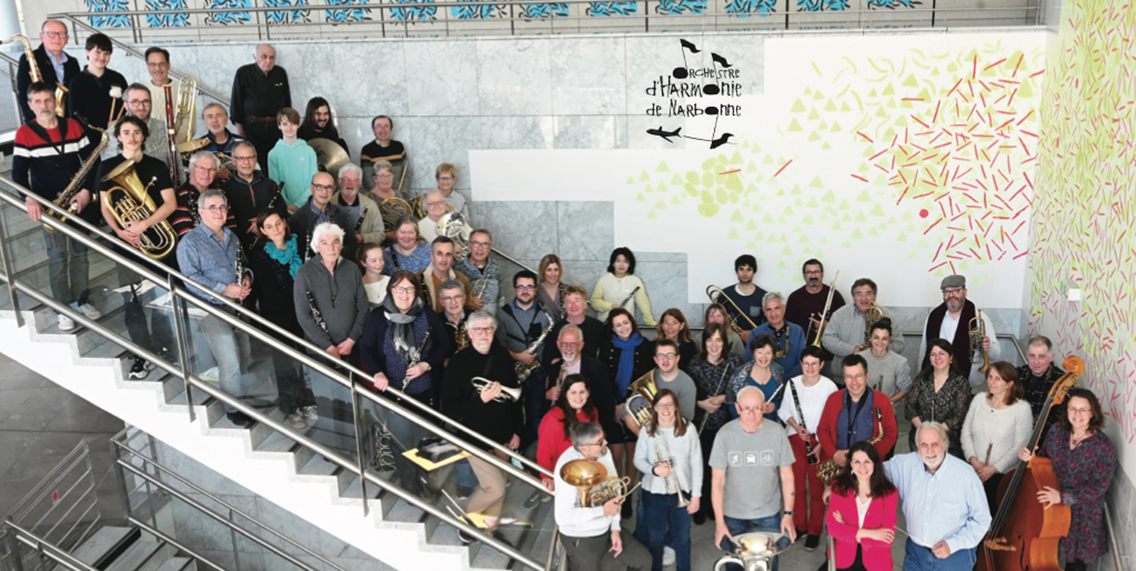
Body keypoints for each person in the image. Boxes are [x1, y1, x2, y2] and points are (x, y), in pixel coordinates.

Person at [13, 81, 101, 331]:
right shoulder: (25, 134)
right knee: (58, 258)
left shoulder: (73, 126)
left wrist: (86, 192)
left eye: (48, 100)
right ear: (30, 106)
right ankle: (64, 308)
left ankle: (82, 300)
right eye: (38, 102)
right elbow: (18, 174)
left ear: (55, 102)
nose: (44, 106)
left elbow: (92, 163)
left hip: (77, 205)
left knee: (80, 255)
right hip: (49, 209)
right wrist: (28, 198)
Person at [97, 116, 179, 379]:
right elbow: (105, 205)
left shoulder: (156, 165)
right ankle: (141, 355)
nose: (131, 137)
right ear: (118, 137)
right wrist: (120, 231)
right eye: (126, 132)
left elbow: (170, 204)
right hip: (127, 244)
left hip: (156, 242)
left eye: (136, 132)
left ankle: (165, 349)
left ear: (143, 136)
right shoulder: (107, 166)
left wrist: (144, 224)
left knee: (160, 298)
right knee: (132, 301)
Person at [440, 310, 523, 543]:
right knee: (494, 488)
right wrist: (480, 400)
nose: (483, 334)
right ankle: (466, 524)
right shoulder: (458, 363)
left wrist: (517, 431)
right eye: (478, 329)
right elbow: (450, 410)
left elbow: (514, 397)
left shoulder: (502, 355)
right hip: (474, 439)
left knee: (500, 487)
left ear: (494, 331)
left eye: (488, 329)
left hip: (503, 435)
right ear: (469, 332)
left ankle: (489, 531)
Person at [177, 190, 255, 427]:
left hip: (237, 305)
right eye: (213, 207)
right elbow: (190, 279)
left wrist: (247, 280)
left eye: (222, 207)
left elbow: (246, 265)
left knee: (245, 354)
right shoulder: (189, 242)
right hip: (210, 308)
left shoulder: (232, 237)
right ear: (200, 212)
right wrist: (223, 289)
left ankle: (243, 397)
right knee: (229, 357)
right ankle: (234, 408)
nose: (219, 212)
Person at [1016, 388, 1117, 571]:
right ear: (1066, 410)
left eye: (1083, 410)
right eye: (1072, 409)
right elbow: (1044, 458)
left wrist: (1063, 497)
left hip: (1083, 516)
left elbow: (1099, 487)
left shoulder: (1103, 446)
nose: (1077, 414)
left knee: (1075, 565)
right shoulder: (1057, 431)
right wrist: (1030, 456)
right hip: (1052, 507)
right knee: (1044, 556)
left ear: (1092, 412)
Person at [293, 223, 369, 451]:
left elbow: (363, 308)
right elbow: (304, 316)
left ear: (341, 244)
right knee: (327, 403)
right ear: (317, 245)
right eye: (325, 242)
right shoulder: (304, 273)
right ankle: (332, 451)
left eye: (335, 241)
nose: (331, 246)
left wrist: (351, 340)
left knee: (350, 400)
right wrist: (328, 347)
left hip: (349, 349)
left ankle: (352, 447)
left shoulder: (352, 270)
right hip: (321, 352)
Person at [710, 386, 796, 571]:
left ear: (764, 407)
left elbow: (787, 476)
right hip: (733, 515)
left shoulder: (777, 433)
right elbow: (717, 482)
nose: (751, 413)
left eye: (756, 407)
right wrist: (719, 523)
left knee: (769, 566)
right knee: (734, 566)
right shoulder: (724, 435)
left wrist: (788, 514)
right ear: (737, 408)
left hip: (768, 513)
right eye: (746, 408)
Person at [885, 422, 990, 570]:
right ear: (916, 445)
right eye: (924, 445)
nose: (929, 450)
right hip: (916, 555)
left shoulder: (966, 475)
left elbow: (982, 519)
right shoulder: (904, 465)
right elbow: (871, 473)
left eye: (935, 444)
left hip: (954, 556)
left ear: (945, 444)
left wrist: (953, 545)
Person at [553, 421, 652, 571]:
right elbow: (563, 517)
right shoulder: (568, 469)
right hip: (581, 536)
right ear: (583, 448)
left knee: (643, 560)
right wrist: (603, 511)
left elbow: (614, 490)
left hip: (606, 529)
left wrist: (615, 529)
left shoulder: (603, 452)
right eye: (599, 442)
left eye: (603, 438)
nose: (605, 442)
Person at [247, 209, 314, 429]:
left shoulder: (302, 246)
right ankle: (292, 408)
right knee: (284, 364)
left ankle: (309, 402)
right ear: (263, 231)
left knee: (307, 361)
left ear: (284, 223)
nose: (276, 229)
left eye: (278, 223)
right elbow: (269, 291)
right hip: (277, 317)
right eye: (269, 226)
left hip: (304, 314)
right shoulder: (261, 255)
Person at [633, 389, 702, 571]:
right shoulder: (647, 431)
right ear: (654, 408)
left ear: (676, 407)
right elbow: (638, 460)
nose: (665, 409)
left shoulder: (688, 429)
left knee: (682, 539)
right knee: (655, 539)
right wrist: (654, 470)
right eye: (661, 405)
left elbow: (697, 464)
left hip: (682, 493)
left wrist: (696, 496)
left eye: (669, 404)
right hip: (653, 495)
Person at [361, 270, 451, 408]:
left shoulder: (427, 314)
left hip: (424, 391)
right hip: (391, 390)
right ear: (391, 290)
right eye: (399, 289)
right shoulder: (378, 316)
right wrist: (377, 372)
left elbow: (445, 344)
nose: (404, 294)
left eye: (410, 289)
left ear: (416, 291)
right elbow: (366, 349)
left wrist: (426, 364)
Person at [777, 346, 838, 547]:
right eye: (806, 363)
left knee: (817, 488)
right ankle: (800, 525)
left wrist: (821, 443)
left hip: (819, 443)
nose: (810, 368)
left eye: (814, 364)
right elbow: (783, 410)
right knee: (797, 487)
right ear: (801, 364)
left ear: (821, 365)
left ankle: (814, 530)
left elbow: (833, 419)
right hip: (795, 439)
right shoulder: (792, 383)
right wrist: (796, 426)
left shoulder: (829, 387)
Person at [596, 307, 654, 516]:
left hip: (635, 408)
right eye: (618, 325)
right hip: (610, 407)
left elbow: (646, 379)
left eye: (626, 323)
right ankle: (616, 493)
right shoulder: (606, 345)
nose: (623, 328)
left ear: (632, 322)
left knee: (632, 453)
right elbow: (603, 378)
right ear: (612, 328)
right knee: (615, 453)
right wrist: (614, 405)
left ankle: (628, 494)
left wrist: (626, 405)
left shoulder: (646, 345)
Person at [687, 322, 743, 525]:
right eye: (710, 339)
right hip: (702, 422)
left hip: (726, 423)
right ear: (704, 342)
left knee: (721, 468)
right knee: (701, 466)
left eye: (719, 340)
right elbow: (687, 394)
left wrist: (721, 399)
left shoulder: (733, 362)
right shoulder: (695, 363)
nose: (714, 344)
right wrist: (701, 404)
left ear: (725, 342)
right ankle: (700, 505)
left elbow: (739, 390)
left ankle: (715, 506)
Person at [960, 362, 1032, 512]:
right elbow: (966, 431)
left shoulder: (1022, 409)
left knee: (992, 516)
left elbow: (1019, 447)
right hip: (973, 469)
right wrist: (973, 460)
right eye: (990, 376)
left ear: (1010, 384)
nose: (991, 382)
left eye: (997, 378)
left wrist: (993, 469)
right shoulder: (979, 399)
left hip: (1001, 476)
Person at [817, 353, 899, 480]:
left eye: (858, 376)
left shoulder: (883, 401)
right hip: (840, 467)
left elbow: (891, 434)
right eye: (849, 377)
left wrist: (870, 458)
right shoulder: (833, 399)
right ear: (843, 378)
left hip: (870, 469)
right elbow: (822, 429)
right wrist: (834, 454)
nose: (854, 382)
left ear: (867, 376)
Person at [496, 270, 554, 447]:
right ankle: (516, 455)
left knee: (536, 416)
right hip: (513, 373)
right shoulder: (502, 314)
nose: (525, 290)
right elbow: (498, 348)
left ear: (536, 290)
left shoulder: (546, 313)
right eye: (521, 287)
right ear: (514, 289)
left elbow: (551, 345)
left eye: (529, 287)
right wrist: (518, 356)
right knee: (512, 416)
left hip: (538, 374)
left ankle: (534, 458)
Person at [543, 326, 617, 454]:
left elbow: (606, 405)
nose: (568, 348)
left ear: (581, 345)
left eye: (573, 344)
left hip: (588, 432)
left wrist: (600, 435)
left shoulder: (597, 368)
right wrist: (547, 395)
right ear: (558, 344)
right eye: (564, 344)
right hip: (561, 430)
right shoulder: (554, 368)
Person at [919, 275, 1001, 391]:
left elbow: (996, 355)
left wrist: (989, 347)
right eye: (947, 292)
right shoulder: (933, 317)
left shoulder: (979, 318)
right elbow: (924, 350)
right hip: (936, 382)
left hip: (969, 384)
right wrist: (922, 377)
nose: (951, 295)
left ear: (965, 292)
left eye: (956, 291)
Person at [825, 441, 898, 571]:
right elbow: (832, 528)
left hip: (877, 563)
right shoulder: (838, 488)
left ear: (875, 463)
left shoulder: (889, 493)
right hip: (843, 559)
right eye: (857, 461)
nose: (862, 467)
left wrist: (848, 531)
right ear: (851, 464)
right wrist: (871, 534)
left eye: (867, 461)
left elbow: (887, 539)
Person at [821, 278, 904, 378]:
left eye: (868, 293)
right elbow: (827, 339)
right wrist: (853, 350)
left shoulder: (888, 315)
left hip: (877, 376)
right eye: (859, 294)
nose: (864, 298)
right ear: (853, 297)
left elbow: (899, 344)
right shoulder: (839, 315)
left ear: (875, 296)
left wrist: (877, 349)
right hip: (843, 377)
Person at [904, 338, 971, 458]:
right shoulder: (922, 378)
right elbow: (910, 407)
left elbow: (960, 415)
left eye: (942, 353)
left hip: (949, 444)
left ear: (951, 357)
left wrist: (935, 432)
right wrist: (924, 431)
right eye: (933, 354)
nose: (937, 358)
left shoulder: (961, 383)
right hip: (920, 441)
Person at [230, 44, 291, 173]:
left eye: (272, 57)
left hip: (276, 128)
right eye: (264, 57)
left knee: (277, 164)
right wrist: (241, 132)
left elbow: (287, 103)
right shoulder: (243, 73)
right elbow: (236, 104)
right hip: (252, 128)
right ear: (255, 56)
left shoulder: (280, 73)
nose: (268, 61)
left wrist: (287, 128)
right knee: (256, 165)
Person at [538, 373, 599, 490]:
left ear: (588, 392)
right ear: (565, 394)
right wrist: (547, 478)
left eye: (582, 392)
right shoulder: (553, 417)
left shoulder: (592, 411)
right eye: (573, 392)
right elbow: (544, 453)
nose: (578, 397)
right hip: (563, 477)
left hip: (587, 471)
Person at [222, 141, 285, 250]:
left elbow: (282, 211)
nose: (246, 162)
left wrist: (262, 222)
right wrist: (249, 226)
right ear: (233, 161)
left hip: (271, 244)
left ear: (255, 160)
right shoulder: (225, 189)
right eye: (241, 158)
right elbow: (223, 220)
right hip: (240, 246)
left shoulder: (270, 184)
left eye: (250, 157)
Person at [16, 20, 79, 123]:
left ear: (67, 39)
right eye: (51, 33)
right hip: (40, 123)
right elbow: (23, 94)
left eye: (61, 34)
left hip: (67, 123)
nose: (57, 37)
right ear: (42, 36)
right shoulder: (29, 59)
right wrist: (39, 121)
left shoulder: (72, 62)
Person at [289, 172, 359, 263]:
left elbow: (352, 243)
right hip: (312, 272)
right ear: (312, 188)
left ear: (333, 190)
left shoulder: (339, 214)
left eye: (329, 188)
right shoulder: (297, 219)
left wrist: (338, 253)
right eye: (319, 187)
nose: (324, 192)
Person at [785, 259, 845, 358]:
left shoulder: (835, 296)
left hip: (829, 356)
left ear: (822, 274)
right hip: (802, 355)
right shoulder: (794, 298)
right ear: (804, 275)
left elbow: (845, 328)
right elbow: (789, 329)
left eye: (816, 272)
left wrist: (827, 326)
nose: (813, 276)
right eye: (809, 272)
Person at [67, 33, 126, 132]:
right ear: (87, 52)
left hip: (116, 135)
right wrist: (106, 124)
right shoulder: (76, 82)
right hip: (88, 136)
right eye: (98, 52)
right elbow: (75, 117)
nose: (102, 57)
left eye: (106, 53)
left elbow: (126, 107)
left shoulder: (118, 79)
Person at [171, 152, 235, 238]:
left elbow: (232, 229)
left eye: (211, 169)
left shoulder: (221, 193)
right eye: (201, 168)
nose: (206, 174)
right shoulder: (180, 196)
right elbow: (185, 237)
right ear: (191, 167)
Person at [121, 83, 179, 177]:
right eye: (135, 102)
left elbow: (177, 164)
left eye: (146, 101)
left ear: (151, 104)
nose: (141, 107)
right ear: (125, 105)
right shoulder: (112, 134)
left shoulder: (164, 128)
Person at [725, 334, 785, 422]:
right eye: (760, 352)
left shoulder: (779, 371)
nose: (764, 357)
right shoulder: (740, 372)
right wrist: (744, 421)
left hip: (772, 424)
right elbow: (730, 401)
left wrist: (775, 405)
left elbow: (785, 400)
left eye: (768, 353)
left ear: (773, 354)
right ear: (753, 353)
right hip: (746, 425)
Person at [591, 247, 656, 326]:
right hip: (606, 325)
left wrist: (650, 322)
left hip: (626, 327)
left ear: (630, 264)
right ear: (613, 263)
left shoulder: (635, 281)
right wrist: (611, 306)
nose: (621, 265)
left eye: (625, 261)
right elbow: (594, 301)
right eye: (618, 261)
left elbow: (643, 304)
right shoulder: (603, 280)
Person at [268, 108, 318, 211]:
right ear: (279, 126)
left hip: (308, 205)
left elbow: (314, 181)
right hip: (285, 207)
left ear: (298, 125)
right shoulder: (273, 154)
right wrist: (287, 205)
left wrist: (298, 204)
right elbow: (275, 184)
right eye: (285, 124)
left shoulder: (309, 151)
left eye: (293, 123)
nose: (289, 127)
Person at [544, 285, 605, 367]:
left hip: (591, 375)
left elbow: (604, 357)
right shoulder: (556, 329)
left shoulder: (598, 326)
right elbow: (548, 360)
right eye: (569, 302)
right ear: (565, 306)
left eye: (577, 300)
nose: (573, 305)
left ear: (585, 304)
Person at [142, 46, 193, 145]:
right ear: (147, 66)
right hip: (150, 146)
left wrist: (173, 144)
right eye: (152, 64)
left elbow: (188, 121)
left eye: (161, 64)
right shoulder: (140, 90)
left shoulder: (183, 89)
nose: (157, 68)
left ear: (168, 66)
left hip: (177, 147)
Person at [748, 292, 806, 379]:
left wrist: (785, 379)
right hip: (764, 382)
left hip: (793, 381)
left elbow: (802, 361)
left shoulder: (798, 331)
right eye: (769, 309)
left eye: (777, 308)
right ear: (764, 312)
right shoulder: (755, 333)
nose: (773, 313)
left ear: (784, 308)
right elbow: (749, 362)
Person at [1016, 336, 1065, 430]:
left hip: (1044, 435)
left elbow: (1062, 416)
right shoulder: (1017, 373)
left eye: (1041, 356)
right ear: (1027, 355)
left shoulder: (1061, 380)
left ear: (1051, 357)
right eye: (1032, 356)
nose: (1036, 362)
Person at [859, 318, 911, 405]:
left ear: (889, 339)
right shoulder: (858, 359)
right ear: (870, 337)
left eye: (884, 338)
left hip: (887, 411)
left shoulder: (900, 362)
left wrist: (887, 402)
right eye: (876, 337)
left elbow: (905, 389)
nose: (880, 342)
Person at [331, 163, 384, 247]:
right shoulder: (328, 205)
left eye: (354, 180)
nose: (350, 183)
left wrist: (363, 238)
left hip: (362, 256)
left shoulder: (371, 205)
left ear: (360, 183)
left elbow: (380, 235)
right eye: (345, 179)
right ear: (339, 182)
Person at [716, 254, 768, 340]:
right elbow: (717, 320)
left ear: (754, 272)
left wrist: (753, 332)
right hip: (729, 341)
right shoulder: (725, 294)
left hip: (756, 343)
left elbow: (769, 323)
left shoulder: (763, 296)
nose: (745, 273)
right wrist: (729, 328)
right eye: (741, 269)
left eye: (749, 269)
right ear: (736, 271)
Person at [417, 237, 474, 313]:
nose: (444, 259)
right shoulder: (417, 279)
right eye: (439, 254)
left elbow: (468, 311)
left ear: (452, 257)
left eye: (448, 254)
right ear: (432, 255)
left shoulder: (463, 280)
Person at [194, 103, 248, 179]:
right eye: (209, 117)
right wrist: (212, 176)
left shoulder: (242, 142)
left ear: (226, 119)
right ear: (204, 121)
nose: (215, 120)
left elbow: (255, 171)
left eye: (219, 115)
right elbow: (190, 177)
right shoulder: (197, 147)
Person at [454, 229, 500, 311]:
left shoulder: (495, 266)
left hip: (492, 321)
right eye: (476, 243)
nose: (480, 248)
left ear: (490, 248)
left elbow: (500, 298)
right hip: (469, 321)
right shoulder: (457, 269)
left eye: (485, 244)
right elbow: (450, 301)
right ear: (469, 245)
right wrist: (468, 301)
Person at [360, 116, 406, 192]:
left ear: (391, 129)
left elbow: (406, 172)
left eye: (386, 126)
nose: (383, 130)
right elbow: (367, 178)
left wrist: (402, 192)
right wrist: (381, 195)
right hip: (377, 198)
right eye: (379, 127)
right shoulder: (367, 150)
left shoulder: (399, 146)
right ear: (374, 130)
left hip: (399, 195)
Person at [437, 279, 471, 358]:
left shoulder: (477, 318)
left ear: (464, 298)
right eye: (448, 298)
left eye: (457, 297)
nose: (453, 302)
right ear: (441, 301)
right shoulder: (435, 322)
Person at [655, 309, 697, 373]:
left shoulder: (690, 346)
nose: (670, 327)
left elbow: (693, 371)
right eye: (666, 323)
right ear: (662, 326)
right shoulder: (652, 346)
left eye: (674, 323)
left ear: (682, 325)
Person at [358, 243, 390, 309]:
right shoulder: (358, 286)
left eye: (381, 259)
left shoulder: (391, 281)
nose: (379, 264)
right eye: (374, 261)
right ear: (363, 263)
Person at [536, 254, 566, 319]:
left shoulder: (567, 290)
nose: (553, 274)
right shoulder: (535, 291)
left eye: (556, 270)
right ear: (543, 271)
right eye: (549, 270)